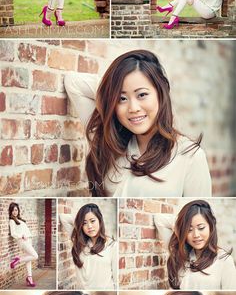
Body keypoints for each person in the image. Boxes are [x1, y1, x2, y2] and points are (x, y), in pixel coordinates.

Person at [64, 49, 212, 198]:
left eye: (142, 95)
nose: (133, 108)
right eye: (122, 99)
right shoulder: (108, 141)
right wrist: (112, 92)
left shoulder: (190, 157)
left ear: (161, 93)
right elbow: (73, 82)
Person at [153, 199, 236, 289]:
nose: (196, 235)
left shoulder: (224, 261)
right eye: (189, 230)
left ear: (211, 227)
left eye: (201, 228)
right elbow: (159, 219)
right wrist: (182, 226)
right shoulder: (181, 254)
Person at [59, 203, 117, 289]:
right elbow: (63, 217)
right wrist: (81, 219)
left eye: (92, 221)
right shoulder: (79, 241)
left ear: (100, 221)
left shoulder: (112, 245)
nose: (89, 226)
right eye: (84, 223)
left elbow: (116, 279)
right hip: (83, 294)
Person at [8, 202, 38, 288]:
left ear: (18, 210)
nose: (15, 212)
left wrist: (28, 237)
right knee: (35, 256)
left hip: (28, 240)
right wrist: (21, 236)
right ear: (10, 211)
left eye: (16, 210)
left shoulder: (19, 220)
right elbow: (13, 234)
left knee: (28, 260)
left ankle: (29, 278)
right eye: (13, 210)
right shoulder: (12, 221)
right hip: (23, 241)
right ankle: (18, 260)